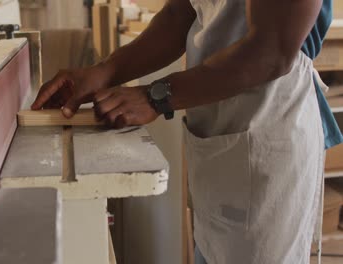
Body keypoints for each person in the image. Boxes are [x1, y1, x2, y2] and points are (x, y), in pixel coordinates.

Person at [32, 0, 343, 263]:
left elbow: (271, 51)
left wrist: (156, 96)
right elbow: (180, 14)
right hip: (218, 128)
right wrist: (104, 72)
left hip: (268, 123)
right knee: (211, 248)